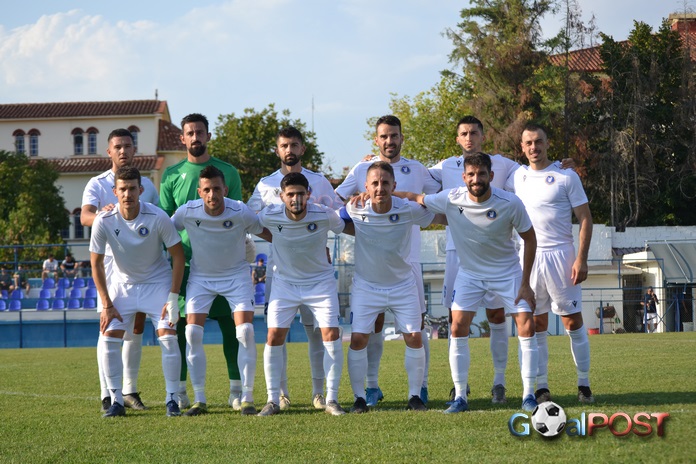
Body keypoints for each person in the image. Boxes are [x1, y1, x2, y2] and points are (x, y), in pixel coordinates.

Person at [411, 152, 539, 413]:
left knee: (526, 325)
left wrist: (526, 283)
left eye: (481, 174)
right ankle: (460, 396)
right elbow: (417, 198)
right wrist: (381, 194)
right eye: (471, 174)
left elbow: (530, 238)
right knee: (457, 326)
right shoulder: (451, 197)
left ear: (491, 176)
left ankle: (528, 395)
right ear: (463, 177)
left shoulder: (510, 202)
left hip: (507, 272)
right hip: (470, 274)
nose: (476, 179)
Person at [336, 115, 440, 407]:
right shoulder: (360, 170)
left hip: (407, 264)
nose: (389, 141)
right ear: (376, 139)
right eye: (384, 136)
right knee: (369, 329)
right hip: (370, 272)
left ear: (401, 138)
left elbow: (438, 200)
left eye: (394, 136)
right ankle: (369, 388)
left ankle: (419, 389)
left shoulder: (417, 170)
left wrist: (409, 196)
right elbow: (335, 205)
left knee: (416, 330)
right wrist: (359, 209)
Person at [248, 126, 344, 411]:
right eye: (284, 145)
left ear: (302, 148)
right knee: (276, 333)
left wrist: (313, 239)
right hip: (282, 272)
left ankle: (320, 394)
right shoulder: (265, 185)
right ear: (277, 150)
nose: (289, 150)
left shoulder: (320, 182)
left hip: (316, 274)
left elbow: (338, 216)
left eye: (294, 145)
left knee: (317, 333)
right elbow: (252, 220)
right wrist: (283, 238)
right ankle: (279, 395)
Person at [159, 113, 245, 411]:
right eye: (190, 133)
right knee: (185, 328)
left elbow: (237, 214)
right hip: (185, 267)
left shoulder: (228, 172)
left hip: (224, 265)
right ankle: (183, 392)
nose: (195, 137)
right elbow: (165, 225)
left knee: (232, 328)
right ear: (182, 138)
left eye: (200, 132)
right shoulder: (171, 175)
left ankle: (236, 390)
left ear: (208, 136)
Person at [90, 166, 185, 418]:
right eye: (123, 189)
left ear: (140, 190)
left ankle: (172, 400)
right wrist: (106, 304)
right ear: (115, 191)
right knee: (109, 337)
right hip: (123, 286)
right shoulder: (104, 220)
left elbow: (178, 255)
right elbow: (96, 263)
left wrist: (173, 297)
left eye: (132, 188)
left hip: (156, 284)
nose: (128, 194)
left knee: (168, 337)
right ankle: (116, 400)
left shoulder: (157, 216)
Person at [511, 122, 594, 404]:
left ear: (547, 144)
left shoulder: (566, 176)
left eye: (539, 141)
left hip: (561, 256)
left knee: (572, 321)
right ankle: (541, 387)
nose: (534, 147)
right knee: (536, 323)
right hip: (528, 258)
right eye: (529, 143)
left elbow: (585, 218)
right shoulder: (516, 176)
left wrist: (581, 258)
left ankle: (584, 383)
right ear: (522, 147)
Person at [172, 166, 262, 416]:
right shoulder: (187, 211)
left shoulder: (240, 210)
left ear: (225, 189)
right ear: (200, 192)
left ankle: (247, 397)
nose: (212, 194)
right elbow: (164, 230)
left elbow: (266, 230)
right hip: (201, 278)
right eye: (207, 190)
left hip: (236, 277)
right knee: (191, 333)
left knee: (245, 331)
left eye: (216, 189)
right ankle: (199, 400)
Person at [81, 128, 160, 412]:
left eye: (128, 146)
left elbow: (156, 219)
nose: (123, 151)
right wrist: (105, 214)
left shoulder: (147, 184)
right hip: (109, 264)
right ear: (109, 151)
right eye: (118, 147)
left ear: (134, 150)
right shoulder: (97, 183)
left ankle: (130, 389)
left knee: (136, 325)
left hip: (139, 264)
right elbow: (84, 216)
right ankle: (107, 394)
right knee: (109, 325)